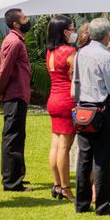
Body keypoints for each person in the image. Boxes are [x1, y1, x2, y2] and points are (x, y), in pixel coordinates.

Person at [73, 18, 110, 216]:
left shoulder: (80, 52)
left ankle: (82, 203)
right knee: (102, 159)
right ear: (107, 36)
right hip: (101, 109)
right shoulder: (106, 57)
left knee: (84, 158)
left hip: (82, 108)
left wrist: (77, 102)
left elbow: (75, 82)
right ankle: (103, 205)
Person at [0, 9, 32, 192]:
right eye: (24, 18)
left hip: (19, 95)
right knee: (12, 139)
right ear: (16, 24)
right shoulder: (14, 42)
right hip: (14, 95)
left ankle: (17, 176)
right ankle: (11, 182)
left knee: (17, 137)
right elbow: (5, 70)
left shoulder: (17, 41)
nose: (28, 20)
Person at [45, 15, 77, 201]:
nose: (73, 32)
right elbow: (77, 75)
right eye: (72, 29)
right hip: (66, 100)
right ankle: (65, 187)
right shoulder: (68, 52)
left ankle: (57, 184)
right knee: (65, 147)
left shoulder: (50, 52)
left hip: (53, 99)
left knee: (56, 144)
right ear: (65, 32)